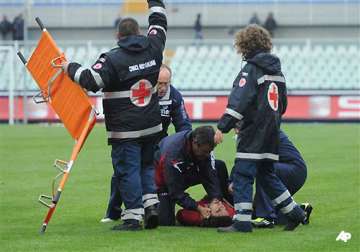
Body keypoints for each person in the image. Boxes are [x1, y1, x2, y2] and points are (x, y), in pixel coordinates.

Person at [62, 0, 167, 231]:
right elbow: (159, 21)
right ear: (139, 32)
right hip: (151, 125)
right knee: (146, 166)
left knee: (127, 170)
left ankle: (132, 218)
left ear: (117, 36)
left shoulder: (112, 58)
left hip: (125, 128)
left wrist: (69, 66)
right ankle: (151, 207)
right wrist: (155, 2)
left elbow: (90, 81)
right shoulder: (154, 46)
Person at [214, 24, 306, 233]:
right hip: (272, 132)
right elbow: (283, 106)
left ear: (243, 45)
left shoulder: (250, 69)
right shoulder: (278, 72)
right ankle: (295, 213)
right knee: (267, 175)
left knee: (244, 175)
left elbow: (239, 101)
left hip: (253, 132)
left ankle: (242, 222)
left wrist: (223, 127)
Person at [101, 63, 192, 223]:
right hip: (136, 139)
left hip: (160, 144)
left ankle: (152, 210)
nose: (163, 87)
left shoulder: (175, 97)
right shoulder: (142, 92)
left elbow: (183, 126)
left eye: (166, 83)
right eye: (160, 83)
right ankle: (113, 212)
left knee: (152, 176)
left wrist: (182, 148)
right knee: (122, 174)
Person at [176, 129, 312, 228]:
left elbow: (249, 161)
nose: (236, 131)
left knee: (263, 168)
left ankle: (265, 217)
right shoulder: (258, 129)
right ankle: (299, 211)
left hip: (291, 169)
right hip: (293, 170)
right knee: (275, 216)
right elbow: (244, 160)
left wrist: (233, 182)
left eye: (237, 128)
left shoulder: (257, 133)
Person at [155, 126, 222, 226]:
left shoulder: (205, 147)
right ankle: (151, 205)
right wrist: (197, 207)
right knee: (165, 221)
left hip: (185, 171)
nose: (207, 154)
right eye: (204, 152)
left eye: (209, 151)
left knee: (219, 166)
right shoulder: (173, 154)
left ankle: (224, 203)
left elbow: (210, 174)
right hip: (163, 181)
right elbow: (175, 191)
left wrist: (215, 199)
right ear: (195, 143)